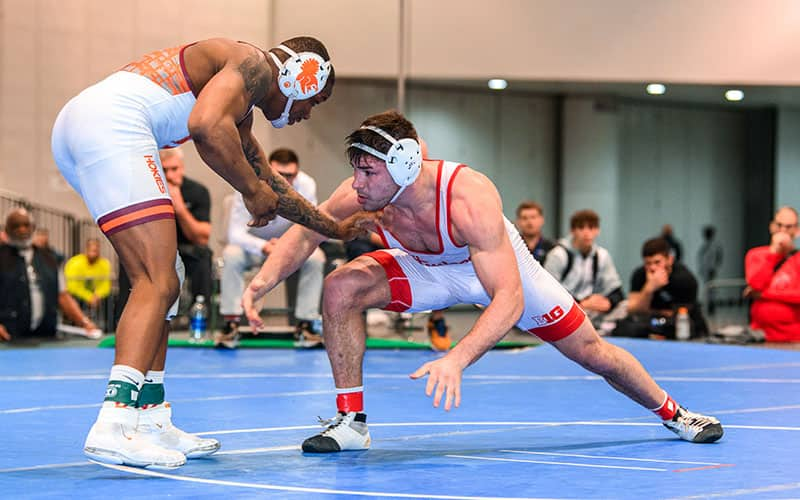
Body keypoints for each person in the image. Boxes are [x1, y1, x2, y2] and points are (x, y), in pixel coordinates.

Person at [242, 110, 723, 454]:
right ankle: (351, 423)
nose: (357, 183)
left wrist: (457, 358)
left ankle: (675, 414)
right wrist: (262, 282)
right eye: (356, 170)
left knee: (594, 353)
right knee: (340, 286)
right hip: (427, 268)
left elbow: (509, 299)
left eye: (367, 170)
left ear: (405, 166)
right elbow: (310, 230)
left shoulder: (467, 197)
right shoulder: (361, 192)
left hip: (500, 274)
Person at [51, 36, 372, 469]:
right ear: (301, 76)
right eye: (315, 100)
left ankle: (149, 418)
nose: (307, 114)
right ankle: (114, 422)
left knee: (170, 276)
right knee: (156, 279)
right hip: (112, 126)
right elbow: (204, 127)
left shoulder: (239, 94)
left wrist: (333, 228)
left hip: (88, 125)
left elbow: (273, 184)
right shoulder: (252, 64)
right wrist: (252, 191)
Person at [216, 147, 326, 349]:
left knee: (315, 257)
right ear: (269, 171)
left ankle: (306, 323)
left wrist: (284, 246)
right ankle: (230, 322)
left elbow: (309, 227)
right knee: (231, 254)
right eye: (280, 175)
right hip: (253, 247)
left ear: (297, 172)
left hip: (290, 245)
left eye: (290, 176)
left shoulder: (307, 184)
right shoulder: (247, 184)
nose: (285, 181)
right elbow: (235, 234)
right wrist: (265, 247)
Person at [1, 209, 97, 342]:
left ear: (33, 227)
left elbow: (63, 296)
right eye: (15, 226)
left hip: (46, 337)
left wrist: (84, 322)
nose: (22, 230)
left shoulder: (50, 258)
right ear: (7, 229)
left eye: (26, 225)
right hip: (9, 338)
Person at [543, 209, 624, 330]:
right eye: (581, 228)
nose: (587, 233)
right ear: (573, 231)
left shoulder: (602, 255)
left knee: (625, 305)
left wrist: (608, 302)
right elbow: (547, 291)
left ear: (597, 230)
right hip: (563, 309)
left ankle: (600, 327)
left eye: (591, 228)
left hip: (591, 310)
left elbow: (616, 290)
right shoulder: (558, 255)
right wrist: (580, 303)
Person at [161, 147, 213, 305]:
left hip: (187, 250)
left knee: (204, 254)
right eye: (164, 170)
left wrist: (180, 209)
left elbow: (202, 238)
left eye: (174, 169)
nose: (169, 176)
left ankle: (200, 312)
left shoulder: (198, 191)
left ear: (182, 167)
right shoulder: (147, 192)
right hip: (157, 251)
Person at [625, 237, 707, 338]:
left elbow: (678, 315)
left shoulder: (685, 279)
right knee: (626, 326)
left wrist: (651, 311)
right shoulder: (639, 275)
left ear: (670, 260)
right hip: (652, 322)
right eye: (648, 263)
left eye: (657, 262)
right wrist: (649, 289)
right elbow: (632, 310)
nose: (652, 268)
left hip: (683, 325)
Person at [744, 206, 800, 342]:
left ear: (797, 231)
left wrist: (764, 294)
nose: (783, 231)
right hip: (760, 336)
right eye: (779, 225)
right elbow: (756, 284)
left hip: (794, 338)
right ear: (771, 227)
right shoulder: (755, 254)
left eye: (788, 227)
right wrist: (773, 253)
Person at [64, 238, 112, 311]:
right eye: (92, 250)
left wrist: (97, 295)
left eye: (96, 250)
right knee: (72, 297)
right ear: (86, 249)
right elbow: (72, 286)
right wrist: (89, 297)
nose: (93, 253)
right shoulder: (75, 262)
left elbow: (106, 285)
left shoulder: (104, 264)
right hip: (79, 295)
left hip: (97, 296)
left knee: (110, 298)